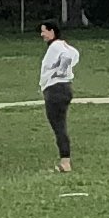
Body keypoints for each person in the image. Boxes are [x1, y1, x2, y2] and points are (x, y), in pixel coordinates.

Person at [39, 20, 79, 173]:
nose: (42, 34)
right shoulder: (63, 45)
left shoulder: (56, 46)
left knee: (59, 126)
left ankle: (65, 162)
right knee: (60, 125)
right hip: (65, 88)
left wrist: (61, 71)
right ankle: (65, 161)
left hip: (55, 89)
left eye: (44, 31)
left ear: (52, 31)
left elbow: (68, 57)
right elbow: (75, 54)